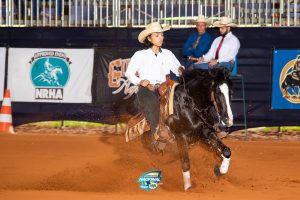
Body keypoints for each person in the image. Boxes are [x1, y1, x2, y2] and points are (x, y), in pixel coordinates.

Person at [125, 22, 184, 151]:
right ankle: (155, 141)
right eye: (157, 35)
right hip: (148, 89)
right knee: (154, 110)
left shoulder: (168, 54)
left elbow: (178, 68)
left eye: (162, 35)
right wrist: (140, 81)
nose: (161, 37)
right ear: (149, 38)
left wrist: (181, 70)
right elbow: (128, 73)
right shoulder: (140, 55)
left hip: (166, 88)